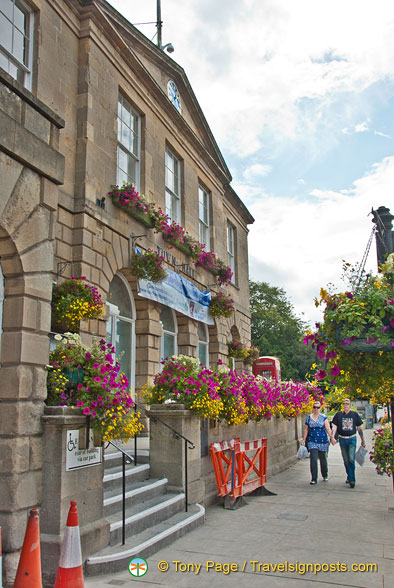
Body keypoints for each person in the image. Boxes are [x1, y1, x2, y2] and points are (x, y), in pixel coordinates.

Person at [331, 398, 365, 488]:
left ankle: (352, 479)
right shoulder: (338, 415)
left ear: (350, 405)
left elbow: (359, 428)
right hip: (342, 439)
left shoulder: (354, 415)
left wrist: (363, 440)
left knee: (351, 458)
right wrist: (332, 437)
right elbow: (334, 427)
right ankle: (349, 475)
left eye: (347, 404)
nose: (346, 405)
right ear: (342, 405)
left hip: (352, 439)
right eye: (344, 404)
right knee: (346, 460)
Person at [301, 401, 334, 485]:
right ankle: (314, 478)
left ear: (320, 408)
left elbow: (328, 428)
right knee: (313, 459)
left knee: (323, 459)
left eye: (318, 407)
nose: (316, 409)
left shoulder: (323, 417)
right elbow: (306, 429)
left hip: (322, 440)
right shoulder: (308, 418)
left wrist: (331, 437)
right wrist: (304, 439)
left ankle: (325, 474)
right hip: (312, 440)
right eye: (314, 407)